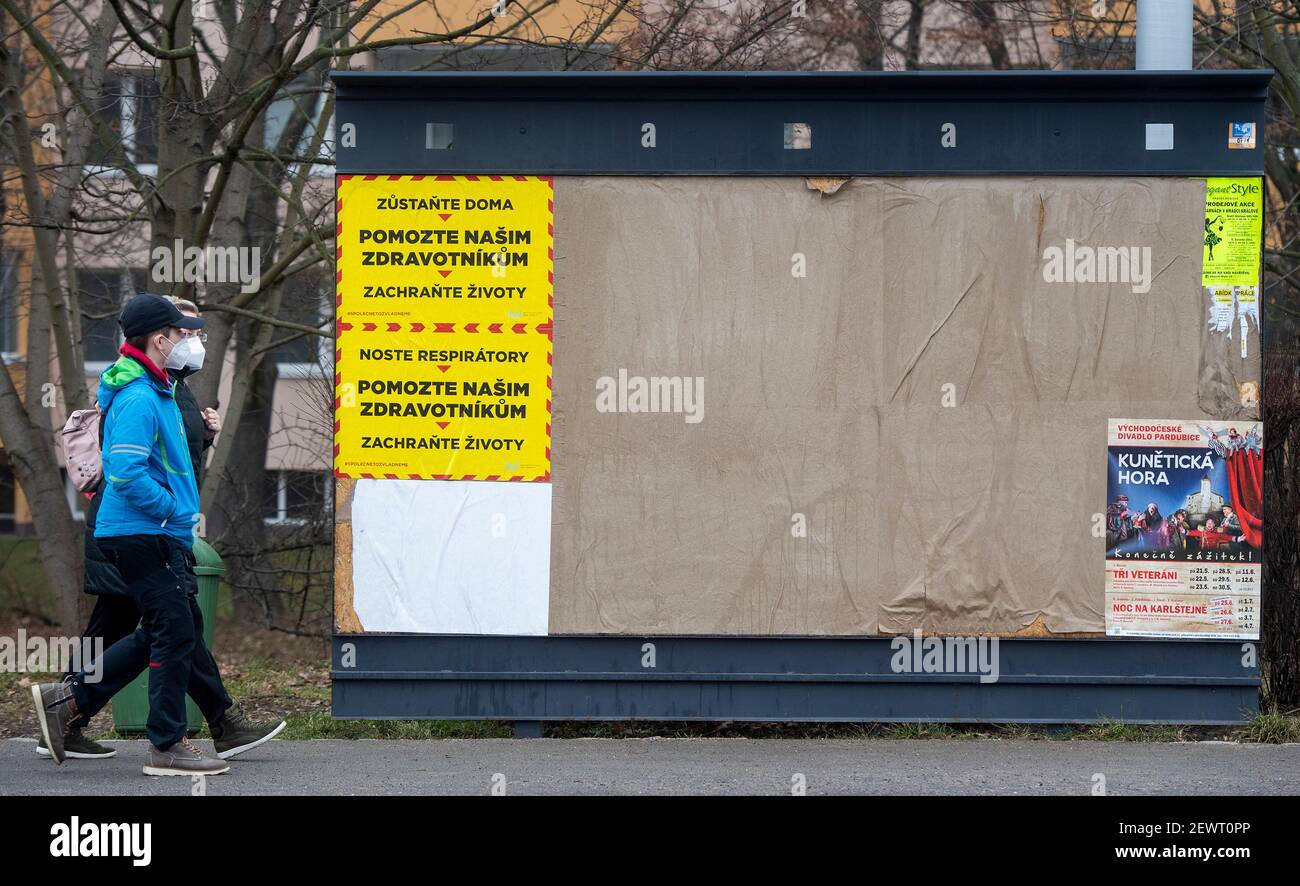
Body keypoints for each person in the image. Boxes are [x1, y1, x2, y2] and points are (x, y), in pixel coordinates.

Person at [31, 294, 280, 776]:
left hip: (152, 533)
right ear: (159, 338)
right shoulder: (141, 395)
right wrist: (170, 512)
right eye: (182, 333)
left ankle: (69, 700)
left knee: (169, 630)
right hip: (144, 533)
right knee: (173, 632)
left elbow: (165, 459)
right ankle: (166, 744)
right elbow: (125, 469)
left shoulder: (159, 387)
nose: (191, 340)